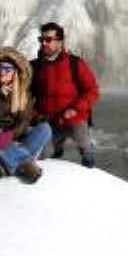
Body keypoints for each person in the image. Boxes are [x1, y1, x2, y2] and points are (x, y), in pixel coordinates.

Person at [30, 21, 100, 168]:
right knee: (42, 158)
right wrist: (33, 114)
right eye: (41, 39)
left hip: (74, 118)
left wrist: (75, 108)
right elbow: (26, 95)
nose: (43, 43)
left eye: (48, 40)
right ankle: (57, 147)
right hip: (48, 122)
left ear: (60, 42)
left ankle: (88, 153)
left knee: (86, 154)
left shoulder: (75, 64)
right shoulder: (34, 67)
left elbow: (92, 91)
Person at [0, 47, 52, 182]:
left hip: (15, 140)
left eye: (8, 69)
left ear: (15, 73)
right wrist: (6, 139)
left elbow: (23, 122)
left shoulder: (24, 94)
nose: (3, 72)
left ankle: (5, 164)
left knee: (45, 129)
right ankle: (25, 164)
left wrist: (11, 137)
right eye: (0, 68)